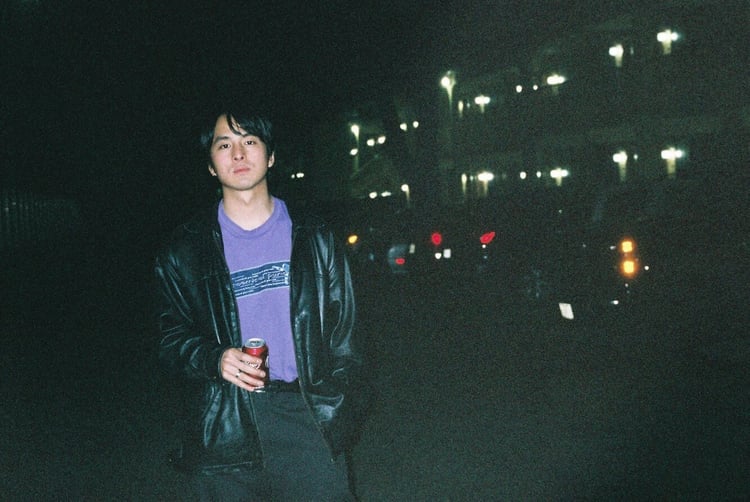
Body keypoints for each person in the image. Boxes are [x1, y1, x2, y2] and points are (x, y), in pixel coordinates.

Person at [154, 109, 369, 501]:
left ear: (270, 156)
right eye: (224, 144)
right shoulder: (185, 250)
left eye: (250, 141)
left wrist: (338, 408)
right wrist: (214, 358)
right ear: (210, 164)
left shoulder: (314, 237)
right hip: (224, 426)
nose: (238, 153)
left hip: (306, 416)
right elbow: (169, 338)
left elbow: (347, 335)